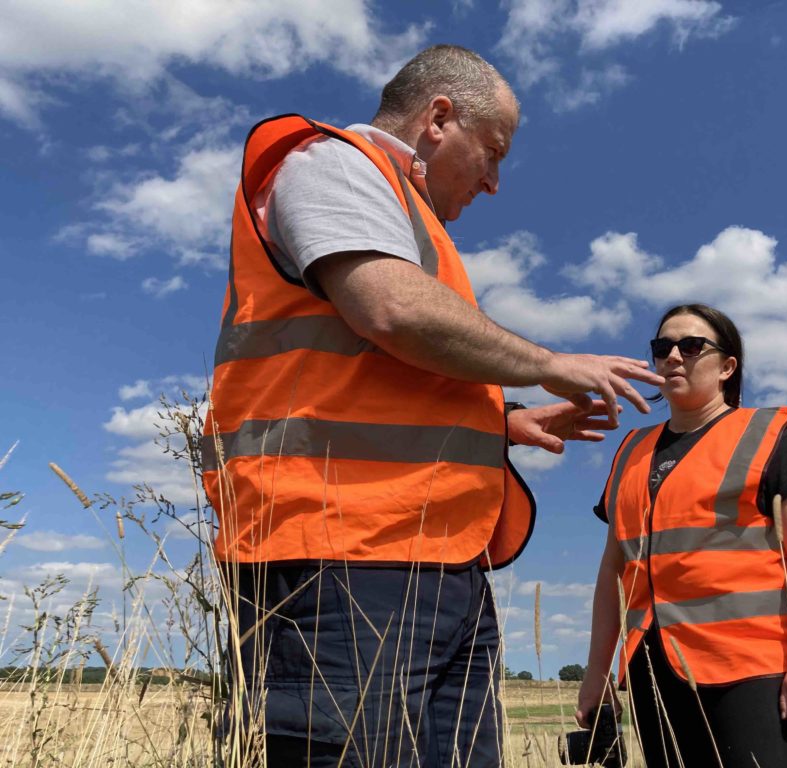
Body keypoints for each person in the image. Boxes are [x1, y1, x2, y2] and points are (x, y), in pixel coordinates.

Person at [200, 45, 663, 767]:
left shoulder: (413, 220)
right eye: (494, 153)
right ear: (439, 117)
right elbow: (389, 313)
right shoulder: (333, 164)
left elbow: (382, 373)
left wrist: (505, 421)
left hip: (439, 569)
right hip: (340, 563)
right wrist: (550, 366)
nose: (495, 182)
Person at [576, 303, 787, 768]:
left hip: (755, 671)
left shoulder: (771, 435)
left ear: (727, 367)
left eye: (691, 346)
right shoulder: (630, 453)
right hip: (654, 672)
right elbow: (612, 572)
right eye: (663, 348)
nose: (673, 356)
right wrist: (598, 671)